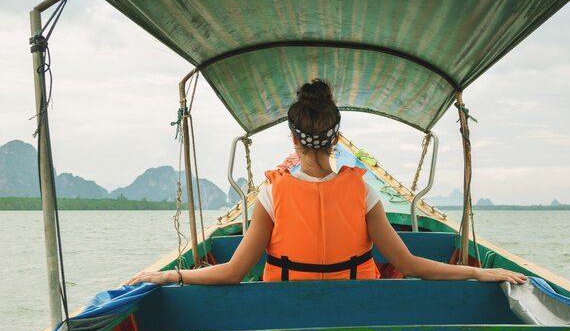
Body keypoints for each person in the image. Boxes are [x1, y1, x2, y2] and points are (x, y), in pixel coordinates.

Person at [130, 79, 526, 286]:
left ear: (293, 138)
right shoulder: (364, 192)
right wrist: (477, 272)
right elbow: (409, 264)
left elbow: (233, 272)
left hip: (286, 319)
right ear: (336, 139)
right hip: (358, 316)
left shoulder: (271, 196)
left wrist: (170, 274)